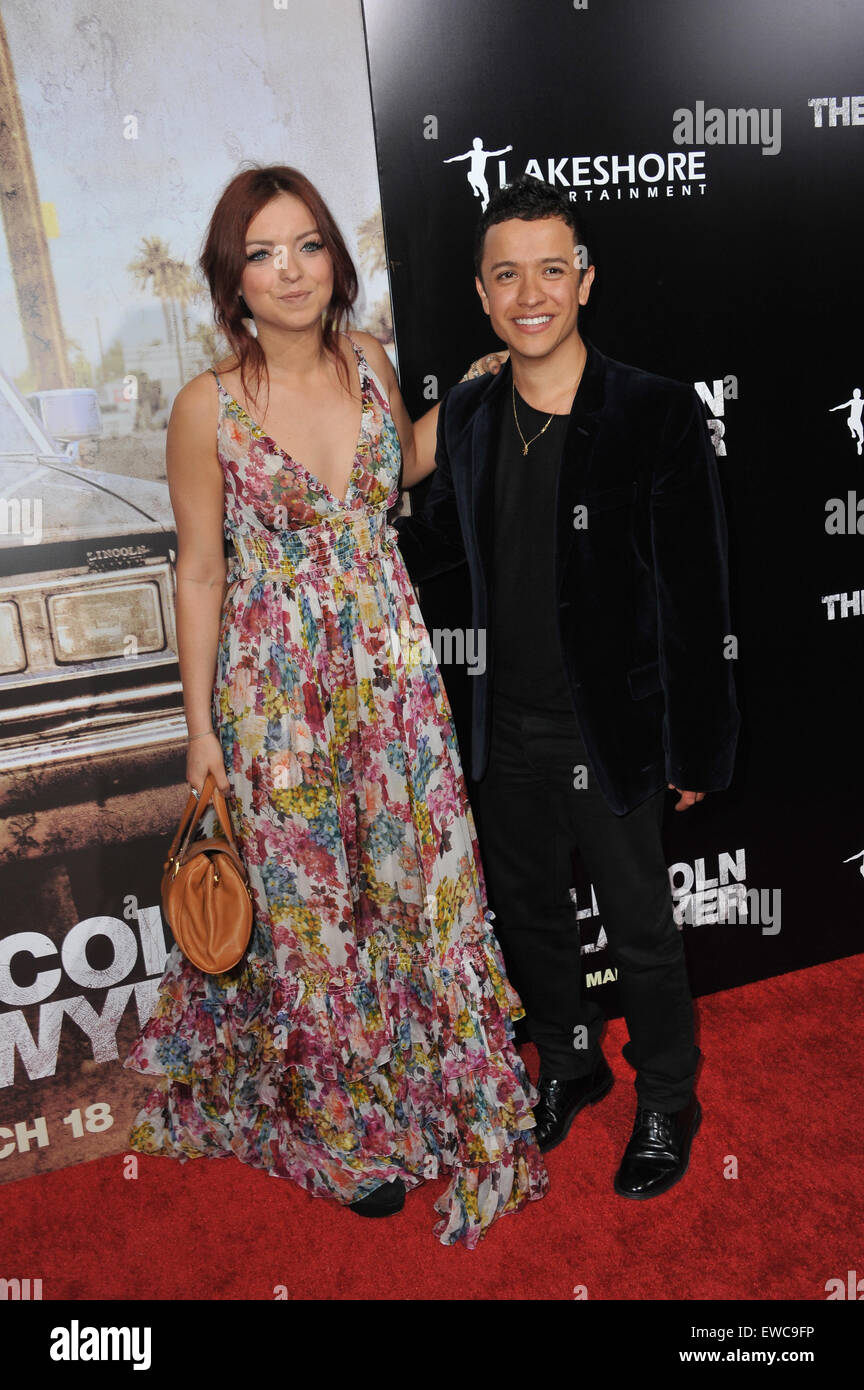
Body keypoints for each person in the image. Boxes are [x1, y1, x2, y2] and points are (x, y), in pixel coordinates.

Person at [123, 165, 548, 1247]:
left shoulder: (368, 361)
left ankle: (435, 1094)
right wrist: (203, 734)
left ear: (333, 260)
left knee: (418, 883)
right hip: (277, 698)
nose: (291, 270)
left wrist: (467, 396)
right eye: (263, 253)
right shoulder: (204, 407)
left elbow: (395, 477)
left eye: (307, 244)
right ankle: (351, 1132)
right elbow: (203, 574)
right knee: (315, 914)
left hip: (393, 678)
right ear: (233, 280)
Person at [394, 175, 740, 1200]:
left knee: (640, 924)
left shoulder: (653, 410)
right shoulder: (468, 412)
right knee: (530, 917)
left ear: (584, 281)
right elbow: (440, 548)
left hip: (613, 729)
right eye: (508, 274)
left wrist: (695, 749)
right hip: (506, 729)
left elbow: (696, 589)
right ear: (482, 293)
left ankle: (669, 1096)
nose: (530, 291)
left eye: (552, 268)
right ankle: (572, 1060)